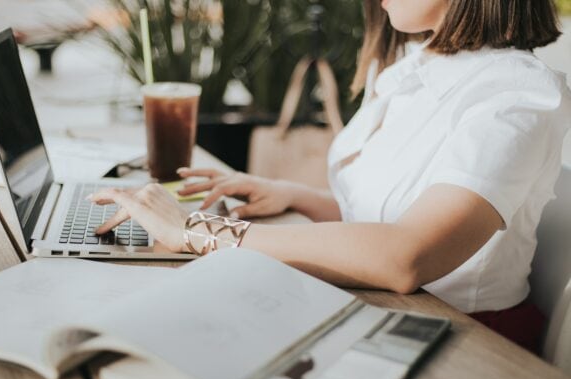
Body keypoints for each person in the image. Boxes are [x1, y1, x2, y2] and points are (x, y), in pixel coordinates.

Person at [90, 0, 571, 352]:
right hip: (375, 309)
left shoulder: (516, 94)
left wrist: (196, 230)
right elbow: (387, 216)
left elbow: (407, 255)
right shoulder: (414, 65)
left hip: (463, 343)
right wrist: (291, 194)